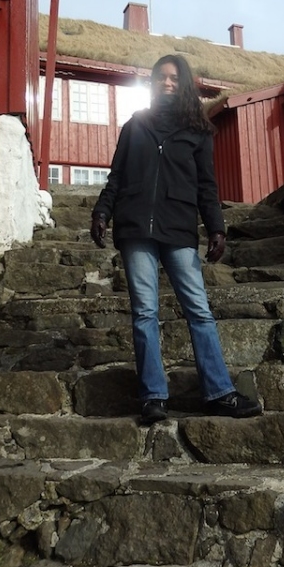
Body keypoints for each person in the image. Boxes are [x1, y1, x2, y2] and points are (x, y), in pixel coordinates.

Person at [90, 54, 263, 426]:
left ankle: (219, 392)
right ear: (152, 83)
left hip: (180, 228)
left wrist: (216, 227)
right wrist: (102, 212)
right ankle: (153, 397)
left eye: (174, 78)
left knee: (198, 310)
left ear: (183, 84)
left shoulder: (198, 132)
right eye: (160, 77)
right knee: (145, 313)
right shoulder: (134, 126)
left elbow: (206, 185)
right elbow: (116, 177)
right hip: (136, 227)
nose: (167, 83)